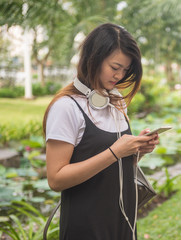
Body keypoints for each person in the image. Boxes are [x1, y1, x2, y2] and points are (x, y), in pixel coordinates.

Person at [43, 23, 159, 240]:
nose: (119, 76)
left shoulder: (115, 101)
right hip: (86, 226)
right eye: (115, 67)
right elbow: (56, 179)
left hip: (122, 220)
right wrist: (114, 152)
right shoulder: (66, 107)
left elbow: (115, 167)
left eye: (125, 70)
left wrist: (137, 150)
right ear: (93, 58)